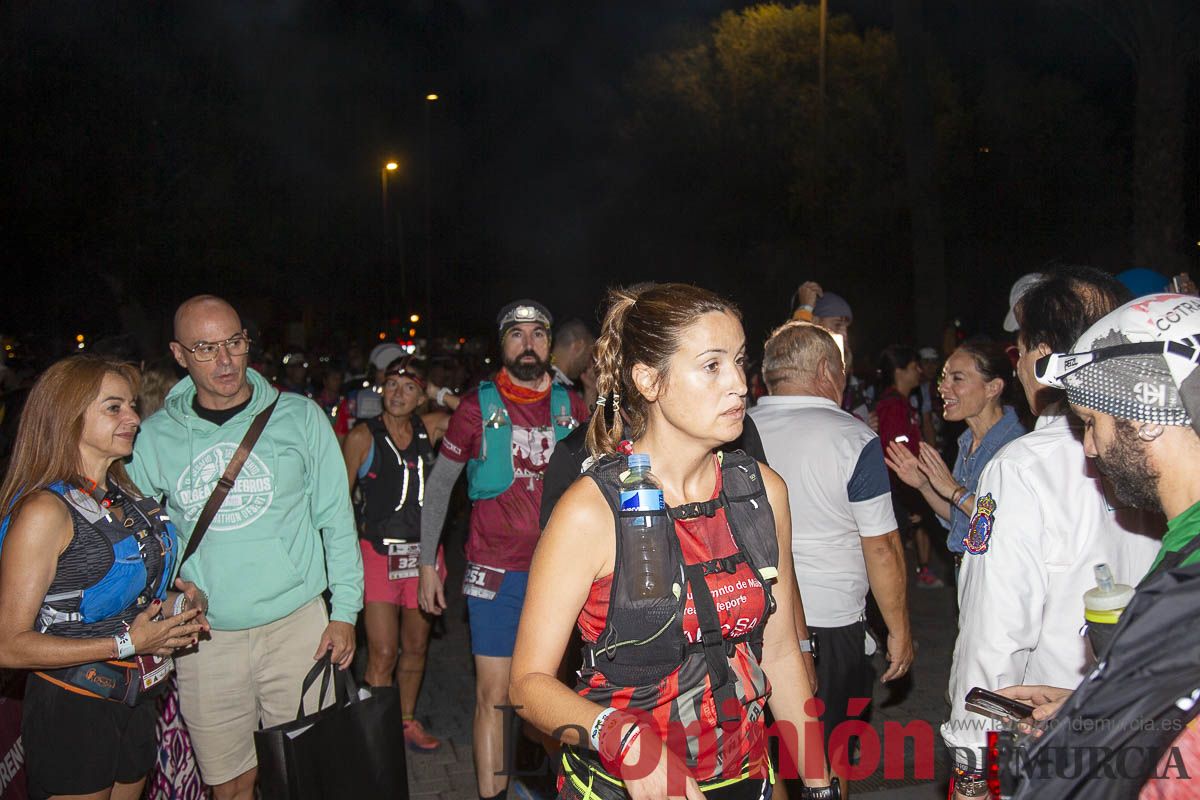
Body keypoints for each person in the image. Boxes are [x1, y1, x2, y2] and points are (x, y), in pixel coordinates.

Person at [510, 283, 840, 799]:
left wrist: (820, 784)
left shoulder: (760, 491)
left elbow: (776, 653)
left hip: (744, 776)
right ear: (648, 380)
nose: (738, 383)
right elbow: (527, 687)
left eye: (738, 361)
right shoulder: (592, 510)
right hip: (619, 784)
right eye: (711, 366)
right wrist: (622, 738)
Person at [128, 295, 363, 800]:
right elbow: (138, 541)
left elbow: (336, 520)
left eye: (234, 342)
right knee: (230, 783)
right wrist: (169, 588)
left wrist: (344, 612)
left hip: (298, 626)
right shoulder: (154, 438)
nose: (226, 359)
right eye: (206, 347)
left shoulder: (300, 417)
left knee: (307, 774)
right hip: (206, 641)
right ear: (179, 354)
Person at [940, 268, 1162, 799]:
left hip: (1049, 743)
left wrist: (974, 767)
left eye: (1020, 350)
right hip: (1147, 733)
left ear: (1042, 356)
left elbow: (995, 637)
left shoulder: (1022, 468)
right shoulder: (1162, 446)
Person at [996, 292, 1200, 798]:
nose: (1088, 448)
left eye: (1091, 423)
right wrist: (1099, 704)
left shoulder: (1188, 586)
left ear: (1149, 411)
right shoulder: (1182, 546)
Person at [0, 356, 206, 800]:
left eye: (131, 406)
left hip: (135, 695)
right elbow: (8, 644)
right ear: (68, 417)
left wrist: (177, 607)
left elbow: (122, 598)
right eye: (114, 408)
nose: (134, 418)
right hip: (72, 705)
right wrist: (128, 645)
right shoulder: (44, 512)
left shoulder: (123, 497)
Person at [418, 299, 588, 800]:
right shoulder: (475, 406)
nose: (528, 343)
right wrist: (428, 562)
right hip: (494, 573)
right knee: (494, 697)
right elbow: (440, 485)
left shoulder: (571, 405)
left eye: (539, 334)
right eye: (517, 334)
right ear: (503, 344)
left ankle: (555, 787)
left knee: (552, 696)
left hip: (560, 575)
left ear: (550, 344)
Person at [750, 321, 913, 756]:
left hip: (750, 619)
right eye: (842, 371)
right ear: (826, 370)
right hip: (831, 620)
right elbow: (881, 546)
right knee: (830, 754)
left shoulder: (733, 432)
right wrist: (898, 629)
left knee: (769, 754)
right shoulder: (853, 439)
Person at [341, 356, 449, 753]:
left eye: (408, 387)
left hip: (422, 557)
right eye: (391, 385)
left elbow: (477, 417)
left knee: (416, 647)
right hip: (378, 555)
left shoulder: (432, 427)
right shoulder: (362, 436)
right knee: (383, 651)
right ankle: (375, 731)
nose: (397, 394)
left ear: (421, 395)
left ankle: (404, 721)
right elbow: (338, 500)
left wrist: (439, 392)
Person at [885, 340, 1026, 580]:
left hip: (1002, 578)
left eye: (957, 379)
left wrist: (954, 491)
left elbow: (1008, 522)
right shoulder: (967, 441)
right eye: (944, 377)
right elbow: (960, 518)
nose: (943, 387)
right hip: (969, 574)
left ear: (993, 388)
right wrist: (925, 486)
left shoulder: (1015, 446)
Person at [876, 344, 944, 588]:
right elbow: (895, 455)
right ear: (900, 370)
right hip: (898, 490)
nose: (919, 371)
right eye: (914, 366)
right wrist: (908, 498)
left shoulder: (903, 403)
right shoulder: (893, 406)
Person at [550, 318, 596, 388]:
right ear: (578, 347)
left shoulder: (549, 379)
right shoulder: (554, 386)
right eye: (589, 355)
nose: (589, 364)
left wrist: (590, 389)